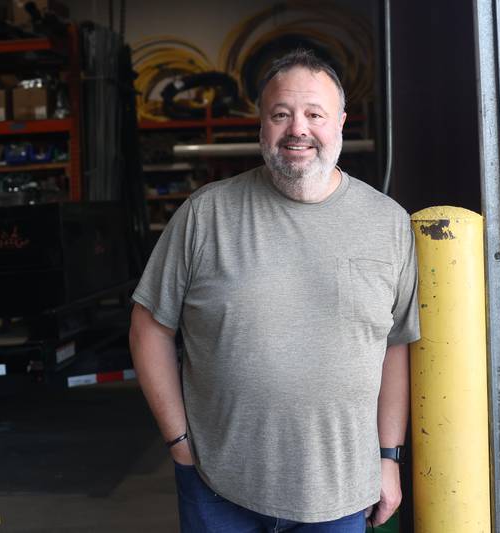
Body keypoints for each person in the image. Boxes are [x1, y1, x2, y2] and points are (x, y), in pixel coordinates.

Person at [129, 49, 420, 532]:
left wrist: (389, 457)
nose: (297, 129)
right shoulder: (207, 215)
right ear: (261, 124)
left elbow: (395, 347)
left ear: (341, 123)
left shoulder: (387, 223)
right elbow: (148, 329)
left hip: (342, 490)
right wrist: (179, 443)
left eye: (314, 114)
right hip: (217, 485)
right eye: (281, 114)